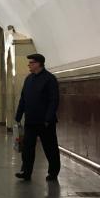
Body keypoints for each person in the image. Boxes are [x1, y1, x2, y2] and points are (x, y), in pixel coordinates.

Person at [14, 53, 61, 181]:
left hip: (45, 122)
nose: (29, 65)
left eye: (31, 62)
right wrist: (18, 115)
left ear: (39, 64)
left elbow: (54, 100)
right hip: (30, 121)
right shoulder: (28, 79)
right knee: (27, 148)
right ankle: (26, 171)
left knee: (50, 148)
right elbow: (23, 98)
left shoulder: (49, 79)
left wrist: (48, 118)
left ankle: (53, 172)